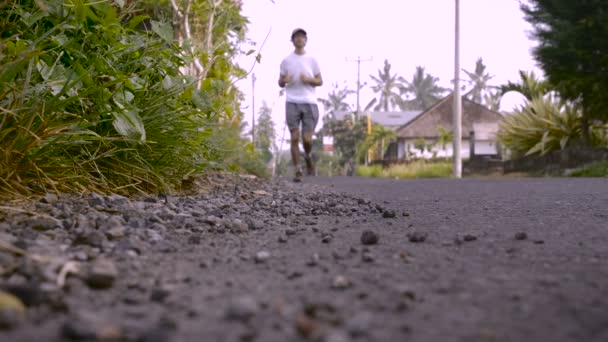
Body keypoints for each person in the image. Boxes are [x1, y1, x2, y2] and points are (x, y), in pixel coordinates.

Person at [278, 28, 323, 182]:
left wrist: (309, 80)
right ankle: (298, 170)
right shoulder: (286, 61)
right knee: (295, 137)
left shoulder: (312, 60)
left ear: (305, 40)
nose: (299, 39)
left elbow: (320, 81)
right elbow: (280, 82)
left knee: (307, 139)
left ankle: (308, 156)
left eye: (302, 37)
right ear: (292, 40)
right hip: (292, 102)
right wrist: (285, 80)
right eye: (296, 37)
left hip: (309, 103)